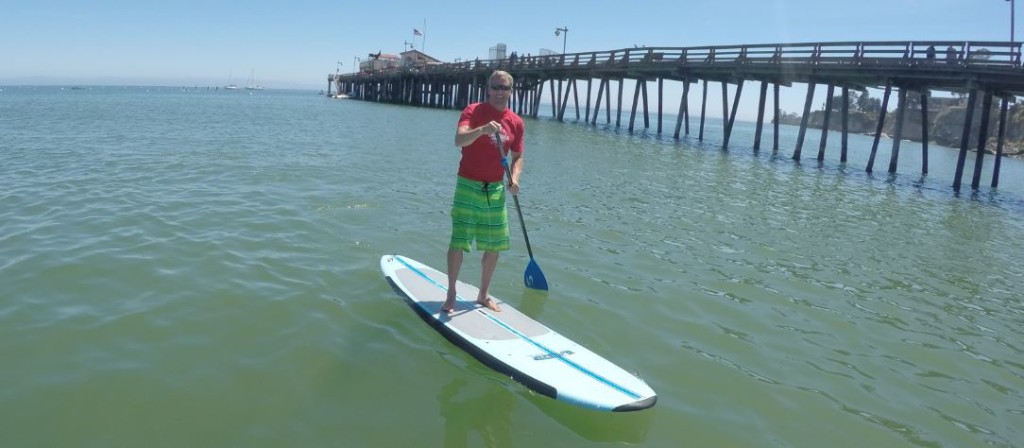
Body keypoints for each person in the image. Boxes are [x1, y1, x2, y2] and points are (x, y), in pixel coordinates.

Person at [443, 70, 525, 314]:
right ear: (488, 89)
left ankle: (483, 294)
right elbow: (459, 140)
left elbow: (518, 157)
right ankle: (451, 293)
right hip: (468, 184)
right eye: (496, 87)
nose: (500, 92)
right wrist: (481, 130)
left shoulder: (516, 122)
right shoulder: (473, 111)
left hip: (496, 188)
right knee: (459, 240)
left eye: (505, 88)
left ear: (511, 91)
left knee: (494, 245)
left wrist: (514, 178)